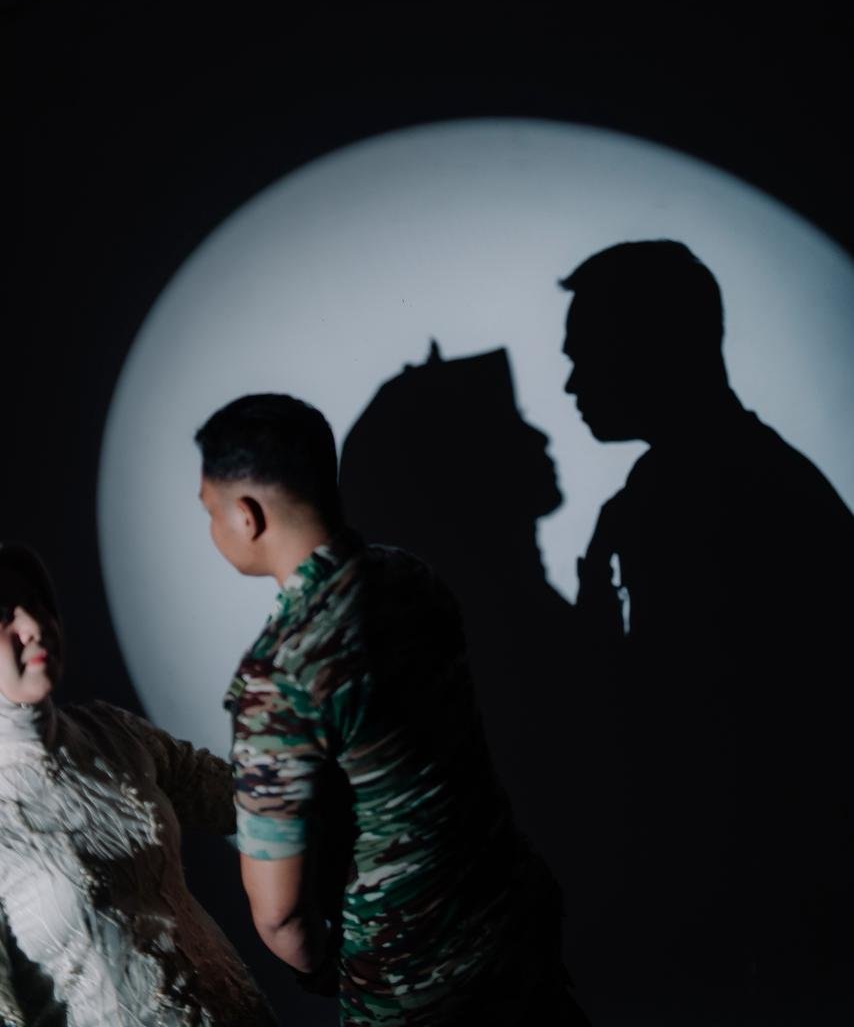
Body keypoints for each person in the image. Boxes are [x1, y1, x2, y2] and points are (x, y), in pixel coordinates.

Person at [195, 393, 590, 1026]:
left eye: (209, 510)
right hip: (512, 919)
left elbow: (279, 914)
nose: (212, 527)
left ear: (246, 516)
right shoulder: (411, 578)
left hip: (415, 984)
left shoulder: (280, 678)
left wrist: (323, 969)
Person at [560, 239, 854, 1015]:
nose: (571, 383)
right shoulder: (735, 473)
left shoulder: (691, 492)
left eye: (585, 355)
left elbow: (689, 722)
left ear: (650, 346)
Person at [0, 541, 276, 1027]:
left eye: (38, 604)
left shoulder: (111, 733)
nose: (34, 626)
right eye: (4, 616)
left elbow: (243, 799)